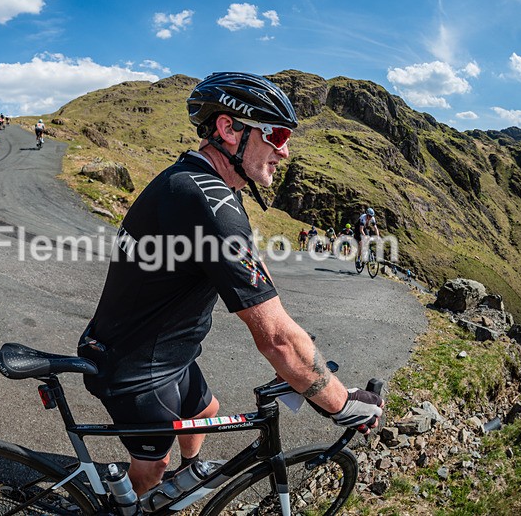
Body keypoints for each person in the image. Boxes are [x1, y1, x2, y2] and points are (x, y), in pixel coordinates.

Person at [78, 72, 384, 495]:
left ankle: (186, 477)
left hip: (168, 351)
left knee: (207, 411)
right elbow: (274, 338)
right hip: (134, 365)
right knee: (151, 468)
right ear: (228, 128)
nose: (285, 150)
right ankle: (127, 503)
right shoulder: (210, 205)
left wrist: (300, 353)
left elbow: (254, 279)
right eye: (276, 134)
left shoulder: (196, 180)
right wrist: (340, 403)